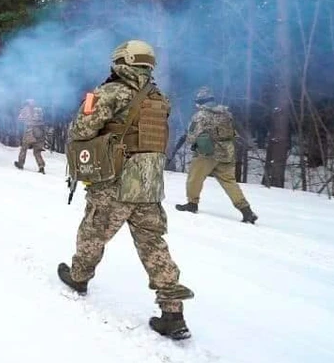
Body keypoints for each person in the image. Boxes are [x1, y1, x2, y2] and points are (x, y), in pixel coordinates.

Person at [58, 39, 194, 340]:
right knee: (154, 245)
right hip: (149, 184)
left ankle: (79, 278)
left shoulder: (110, 92)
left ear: (122, 61)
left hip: (116, 182)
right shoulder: (159, 97)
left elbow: (81, 130)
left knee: (93, 233)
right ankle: (173, 313)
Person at [175, 86, 258, 224]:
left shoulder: (200, 116)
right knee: (229, 182)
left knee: (194, 179)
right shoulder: (226, 113)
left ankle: (192, 204)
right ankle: (246, 211)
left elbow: (191, 137)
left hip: (208, 153)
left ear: (200, 102)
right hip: (227, 152)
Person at [14, 99, 46, 174]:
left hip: (30, 131)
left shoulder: (25, 109)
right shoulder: (39, 110)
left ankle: (20, 164)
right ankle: (41, 166)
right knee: (37, 151)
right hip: (40, 131)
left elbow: (20, 118)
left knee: (24, 148)